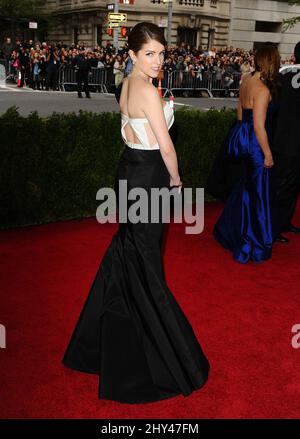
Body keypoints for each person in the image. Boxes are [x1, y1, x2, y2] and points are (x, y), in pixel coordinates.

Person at [62, 22, 210, 404]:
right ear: (132, 55)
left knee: (128, 250)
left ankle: (101, 341)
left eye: (161, 53)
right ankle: (163, 354)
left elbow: (133, 130)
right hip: (150, 176)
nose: (158, 60)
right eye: (149, 53)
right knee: (145, 259)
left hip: (128, 170)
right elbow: (166, 147)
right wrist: (176, 179)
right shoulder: (145, 89)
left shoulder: (126, 85)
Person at [213, 45, 281, 263]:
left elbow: (241, 114)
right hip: (256, 145)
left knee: (246, 188)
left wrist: (243, 139)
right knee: (259, 193)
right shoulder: (263, 89)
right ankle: (253, 238)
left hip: (244, 137)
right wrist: (267, 154)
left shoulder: (246, 81)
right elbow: (260, 127)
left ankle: (231, 228)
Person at [272, 41, 300, 243]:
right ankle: (274, 227)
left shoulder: (283, 74)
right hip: (290, 141)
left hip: (282, 138)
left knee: (288, 185)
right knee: (284, 186)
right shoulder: (285, 74)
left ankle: (283, 222)